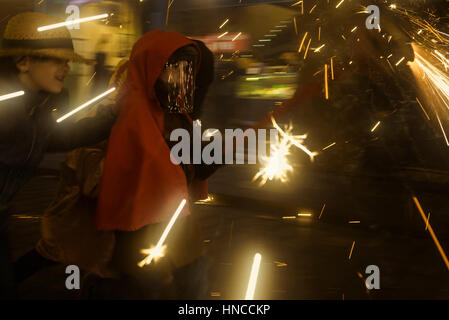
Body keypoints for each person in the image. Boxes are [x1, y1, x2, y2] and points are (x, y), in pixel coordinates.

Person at [94, 30, 219, 299]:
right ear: (152, 68)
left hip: (173, 220)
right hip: (140, 227)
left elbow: (192, 165)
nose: (180, 80)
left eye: (186, 71)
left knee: (193, 283)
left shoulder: (175, 113)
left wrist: (221, 153)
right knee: (141, 286)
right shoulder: (133, 113)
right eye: (171, 70)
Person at [0, 12, 116, 298]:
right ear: (23, 61)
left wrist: (113, 113)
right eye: (56, 59)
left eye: (67, 61)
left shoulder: (34, 111)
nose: (65, 68)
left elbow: (66, 137)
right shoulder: (6, 105)